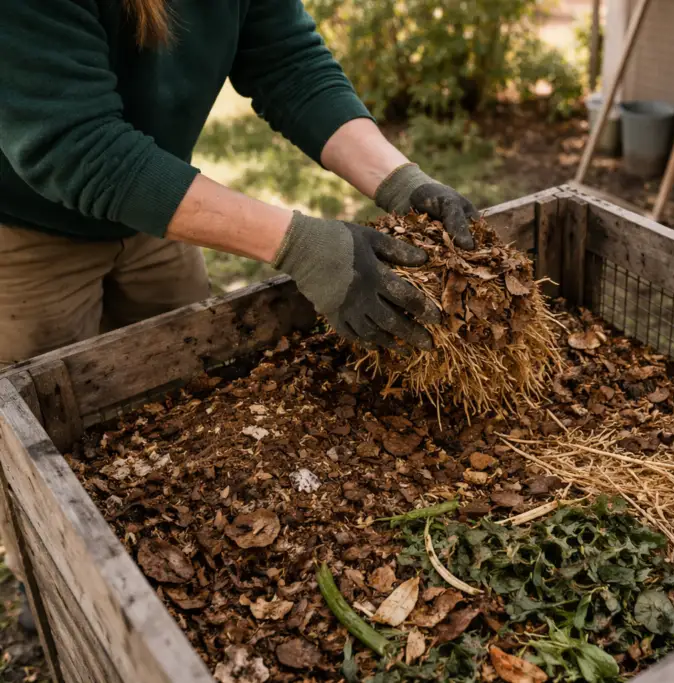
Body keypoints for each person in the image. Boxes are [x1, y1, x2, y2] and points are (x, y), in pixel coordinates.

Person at [0, 0, 480, 632]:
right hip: (23, 225)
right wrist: (302, 244)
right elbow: (75, 145)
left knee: (178, 402)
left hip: (150, 200)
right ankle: (54, 594)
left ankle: (162, 568)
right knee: (37, 439)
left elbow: (289, 63)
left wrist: (399, 181)